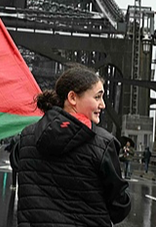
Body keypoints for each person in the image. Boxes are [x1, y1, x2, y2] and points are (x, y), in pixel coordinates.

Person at [11, 66, 131, 226]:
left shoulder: (27, 136)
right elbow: (119, 207)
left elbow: (16, 163)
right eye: (97, 97)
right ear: (73, 98)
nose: (103, 105)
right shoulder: (103, 143)